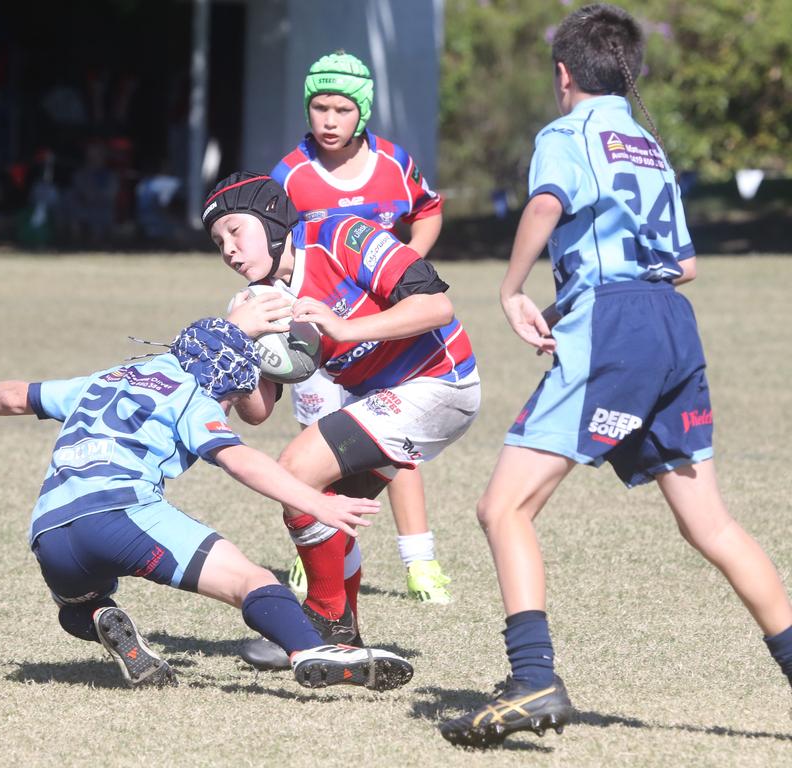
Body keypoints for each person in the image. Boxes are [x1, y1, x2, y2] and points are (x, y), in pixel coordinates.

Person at [439, 4, 792, 748]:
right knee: (712, 524)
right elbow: (686, 263)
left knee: (503, 509)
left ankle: (533, 678)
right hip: (670, 324)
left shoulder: (566, 135)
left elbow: (547, 201)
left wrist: (513, 290)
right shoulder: (648, 144)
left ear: (564, 74)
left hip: (615, 324)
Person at [0, 317, 414, 691]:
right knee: (252, 581)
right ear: (226, 382)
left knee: (77, 604)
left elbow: (18, 396)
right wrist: (316, 501)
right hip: (123, 512)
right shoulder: (196, 396)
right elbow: (240, 460)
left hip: (50, 530)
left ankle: (99, 617)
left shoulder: (109, 377)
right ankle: (311, 651)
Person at [203, 172, 480, 669]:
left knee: (295, 476)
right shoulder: (258, 301)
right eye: (218, 241)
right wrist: (237, 358)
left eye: (234, 232)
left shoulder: (343, 237)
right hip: (380, 398)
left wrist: (344, 328)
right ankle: (343, 640)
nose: (228, 250)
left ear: (270, 220)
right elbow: (259, 412)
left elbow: (437, 306)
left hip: (439, 381)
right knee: (321, 505)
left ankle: (325, 620)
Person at [271, 50, 452, 604]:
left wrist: (409, 269)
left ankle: (420, 563)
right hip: (323, 339)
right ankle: (315, 557)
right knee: (322, 445)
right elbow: (274, 250)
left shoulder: (395, 163)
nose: (328, 119)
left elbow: (427, 212)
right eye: (319, 107)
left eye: (342, 108)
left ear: (363, 112)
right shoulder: (291, 175)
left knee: (396, 447)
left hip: (389, 332)